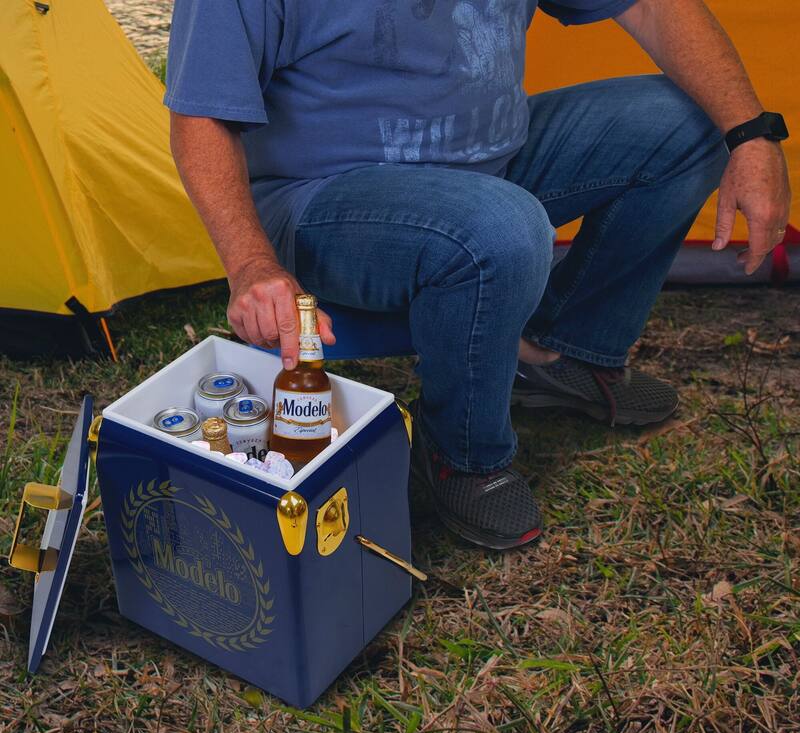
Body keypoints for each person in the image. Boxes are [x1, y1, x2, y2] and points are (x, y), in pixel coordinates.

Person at [165, 0, 791, 550]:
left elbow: (653, 5)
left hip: (494, 163)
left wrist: (753, 135)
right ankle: (462, 454)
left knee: (687, 124)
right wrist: (250, 264)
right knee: (504, 227)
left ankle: (558, 355)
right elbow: (201, 120)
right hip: (322, 197)